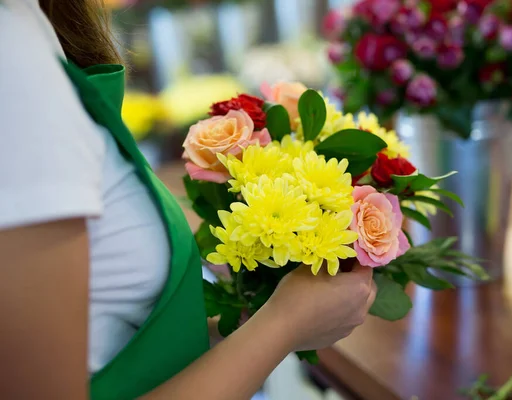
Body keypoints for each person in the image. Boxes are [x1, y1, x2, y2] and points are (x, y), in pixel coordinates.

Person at [0, 0, 377, 399]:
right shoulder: (13, 61)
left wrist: (247, 317)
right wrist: (283, 324)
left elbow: (108, 329)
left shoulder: (27, 28)